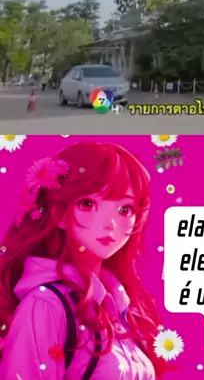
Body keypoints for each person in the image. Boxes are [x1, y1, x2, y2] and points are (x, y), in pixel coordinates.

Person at [0, 141, 172, 379]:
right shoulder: (47, 305)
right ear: (60, 213)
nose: (110, 224)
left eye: (125, 210)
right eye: (88, 204)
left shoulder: (119, 305)